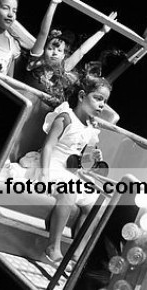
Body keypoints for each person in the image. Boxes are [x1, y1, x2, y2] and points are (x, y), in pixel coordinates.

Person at [38, 75, 112, 266]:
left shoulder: (90, 128)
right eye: (98, 98)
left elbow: (79, 159)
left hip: (70, 172)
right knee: (69, 191)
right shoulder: (65, 117)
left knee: (95, 203)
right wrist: (44, 174)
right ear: (81, 96)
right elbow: (48, 146)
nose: (102, 104)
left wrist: (92, 158)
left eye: (104, 101)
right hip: (51, 167)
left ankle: (77, 254)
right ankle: (52, 248)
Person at [24, 0, 117, 107]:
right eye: (50, 49)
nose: (54, 53)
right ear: (44, 50)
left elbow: (81, 51)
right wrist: (53, 3)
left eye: (59, 51)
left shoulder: (64, 68)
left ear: (63, 55)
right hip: (23, 102)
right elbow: (43, 33)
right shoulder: (35, 60)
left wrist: (102, 31)